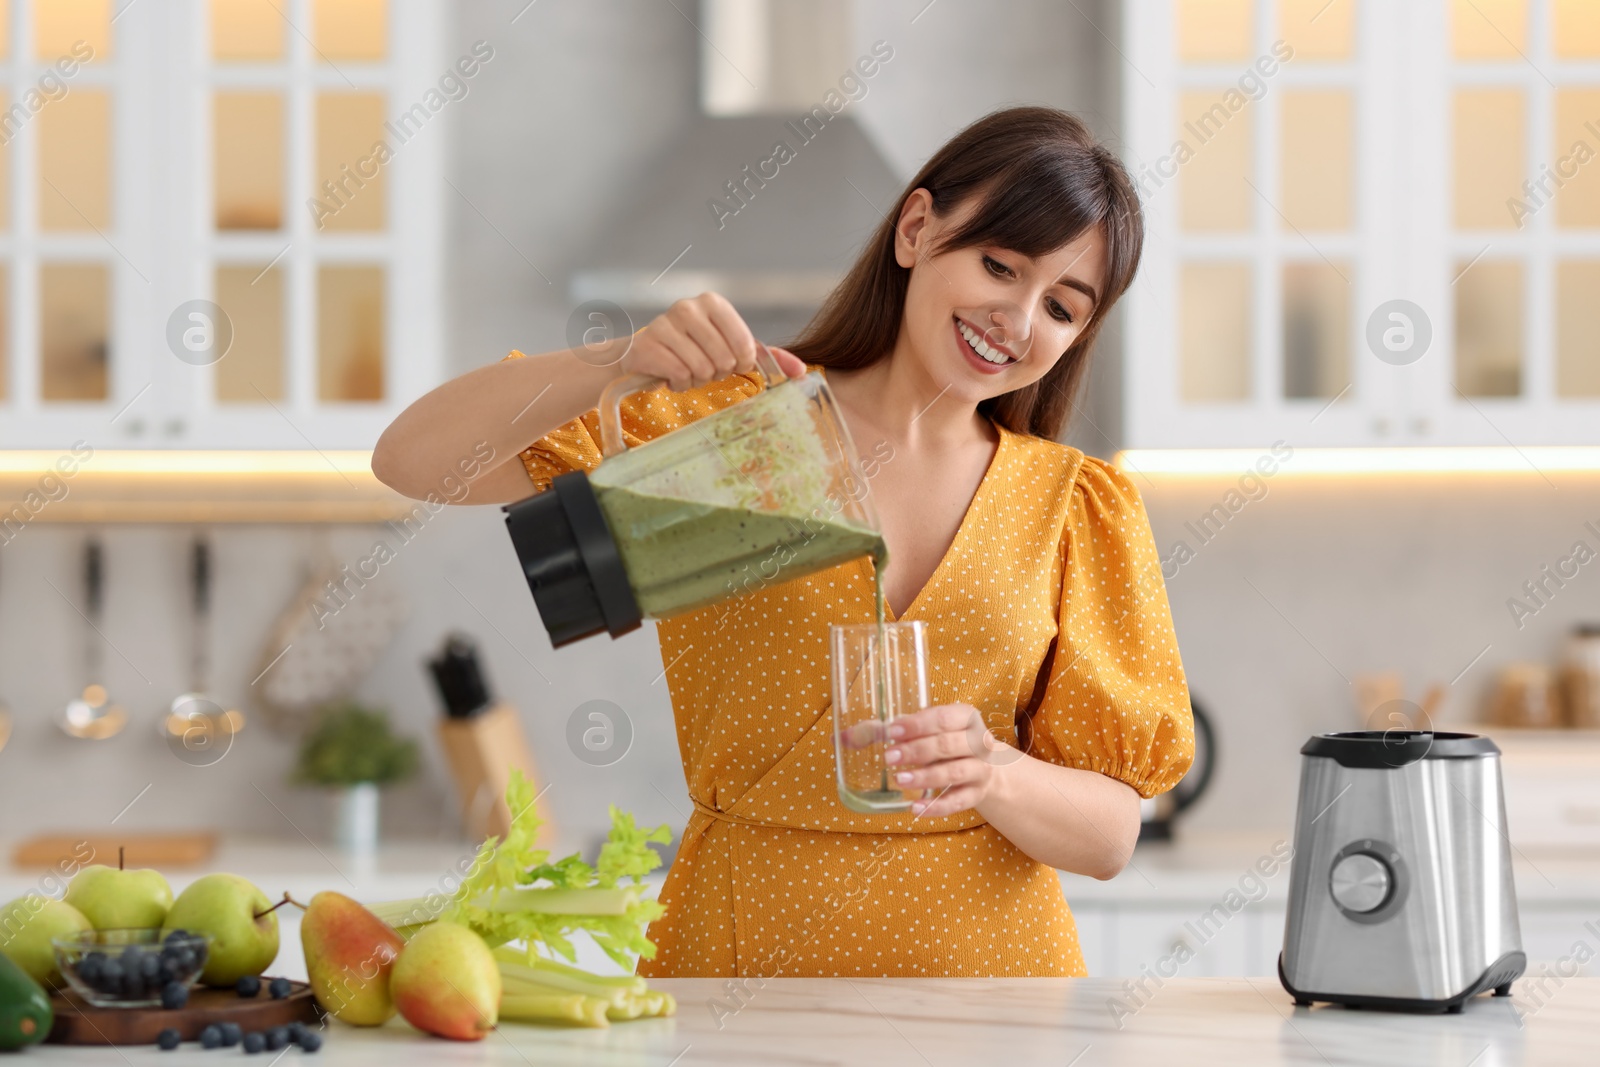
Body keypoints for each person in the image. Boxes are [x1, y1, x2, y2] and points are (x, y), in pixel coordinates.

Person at [373, 106, 1194, 977]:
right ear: (917, 230)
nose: (1018, 320)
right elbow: (411, 460)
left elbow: (1110, 835)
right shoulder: (733, 431)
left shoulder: (1075, 503)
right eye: (999, 265)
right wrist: (614, 362)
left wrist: (991, 770)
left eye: (1062, 308)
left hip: (995, 989)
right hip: (742, 964)